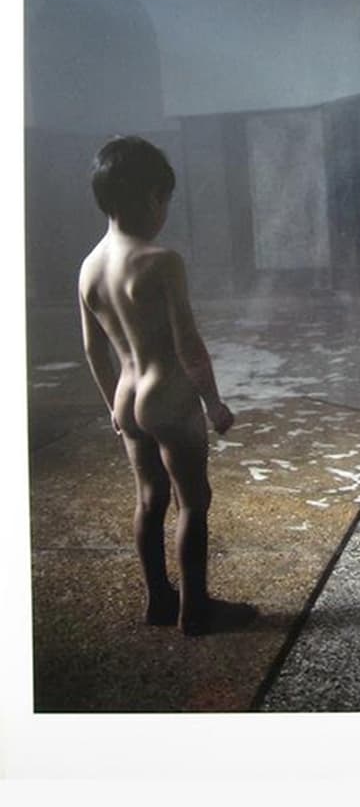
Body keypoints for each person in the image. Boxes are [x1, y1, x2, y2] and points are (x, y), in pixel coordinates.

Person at [79, 136, 237, 635]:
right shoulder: (160, 260)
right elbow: (188, 344)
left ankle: (158, 601)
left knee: (149, 500)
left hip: (126, 395)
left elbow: (92, 349)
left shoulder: (89, 267)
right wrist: (213, 403)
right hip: (166, 395)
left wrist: (111, 405)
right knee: (193, 501)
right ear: (152, 197)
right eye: (165, 200)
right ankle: (195, 610)